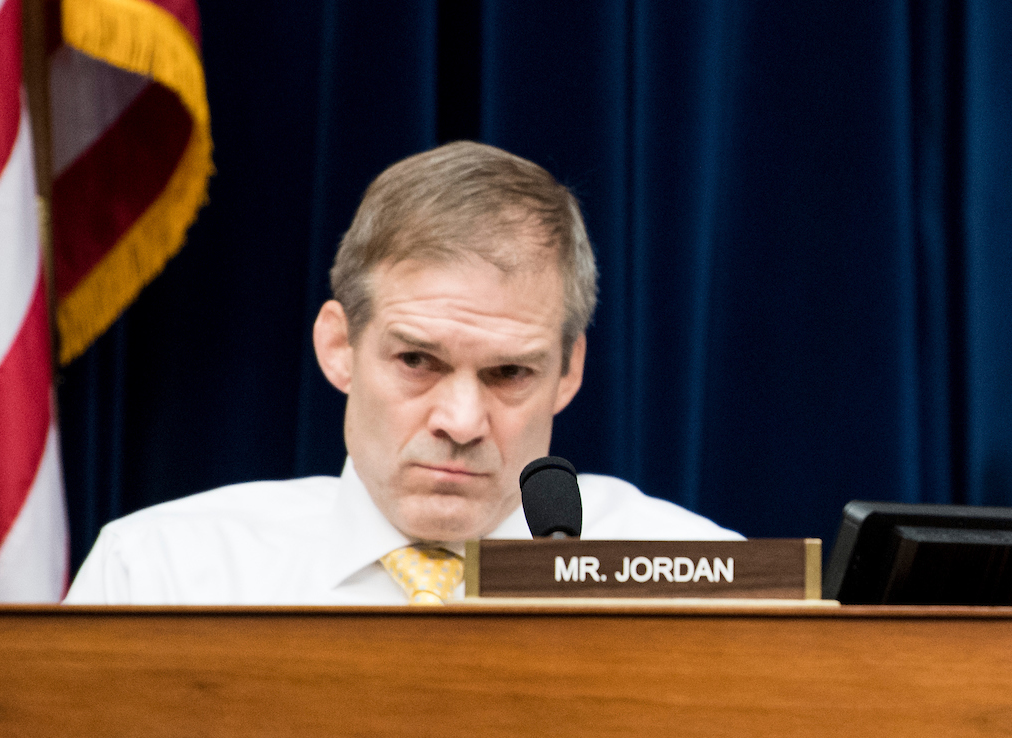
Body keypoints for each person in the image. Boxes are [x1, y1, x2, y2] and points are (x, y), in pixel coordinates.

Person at [66, 142, 736, 605]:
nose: (462, 421)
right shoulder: (163, 575)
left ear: (569, 370)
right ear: (339, 346)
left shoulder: (701, 583)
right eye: (418, 360)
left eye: (508, 372)